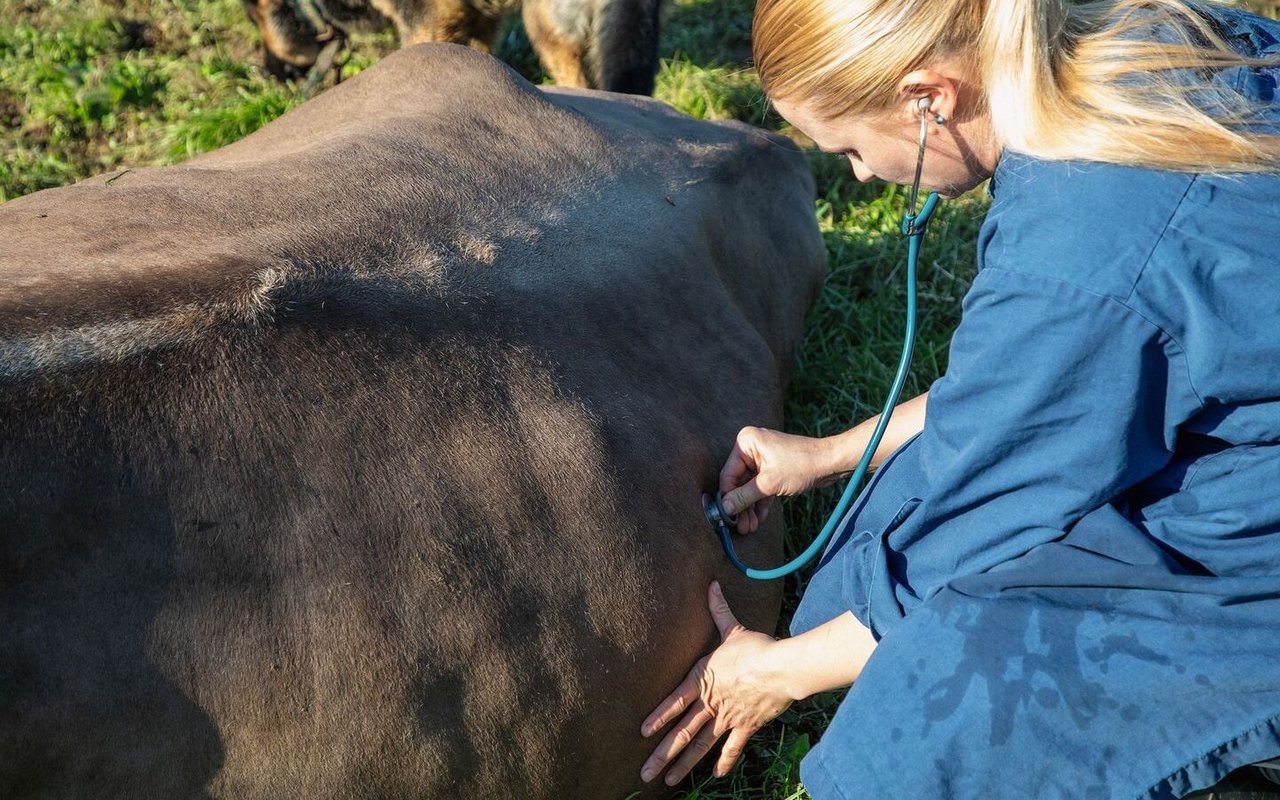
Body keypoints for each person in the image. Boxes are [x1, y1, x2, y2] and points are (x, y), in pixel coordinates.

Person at [638, 0, 1280, 797]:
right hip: (1237, 422)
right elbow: (1048, 380)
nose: (861, 176)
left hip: (1253, 538)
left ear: (927, 98)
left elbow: (1059, 362)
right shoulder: (1134, 41)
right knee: (856, 571)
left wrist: (775, 675)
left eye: (851, 149)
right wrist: (833, 455)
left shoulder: (1072, 255)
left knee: (901, 755)